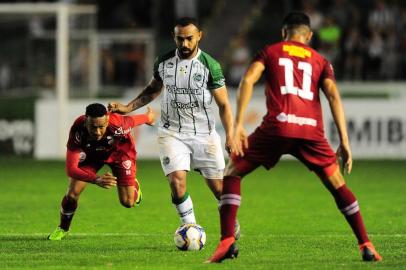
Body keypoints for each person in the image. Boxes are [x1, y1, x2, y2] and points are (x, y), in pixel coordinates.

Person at [207, 11, 382, 262]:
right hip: (311, 131)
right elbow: (333, 95)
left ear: (283, 32)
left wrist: (237, 125)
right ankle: (366, 244)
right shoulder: (321, 60)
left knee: (232, 171)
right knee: (338, 185)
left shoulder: (270, 51)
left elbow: (247, 80)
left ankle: (226, 241)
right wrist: (344, 140)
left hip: (277, 127)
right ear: (309, 36)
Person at [108, 17, 239, 235]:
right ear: (174, 37)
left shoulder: (210, 66)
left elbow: (224, 104)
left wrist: (231, 135)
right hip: (172, 133)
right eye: (180, 39)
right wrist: (127, 108)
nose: (185, 44)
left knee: (219, 189)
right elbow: (152, 90)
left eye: (189, 38)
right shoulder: (164, 62)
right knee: (177, 183)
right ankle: (190, 228)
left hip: (204, 135)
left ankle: (230, 221)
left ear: (199, 36)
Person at [47, 103, 155, 240]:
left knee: (128, 202)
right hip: (92, 155)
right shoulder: (77, 129)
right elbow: (71, 169)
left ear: (107, 121)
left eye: (101, 127)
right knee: (72, 193)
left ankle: (133, 184)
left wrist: (148, 117)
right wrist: (96, 179)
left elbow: (137, 120)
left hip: (120, 154)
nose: (98, 132)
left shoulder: (118, 124)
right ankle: (63, 228)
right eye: (93, 127)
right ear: (86, 120)